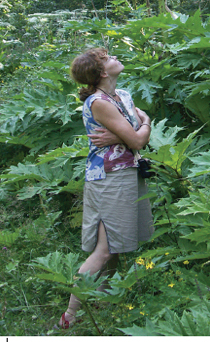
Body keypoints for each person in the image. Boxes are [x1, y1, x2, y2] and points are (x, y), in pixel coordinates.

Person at [58, 47, 154, 329]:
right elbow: (137, 140)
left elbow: (136, 127)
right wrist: (143, 125)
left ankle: (102, 301)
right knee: (104, 249)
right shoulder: (99, 102)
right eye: (109, 58)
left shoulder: (121, 95)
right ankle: (70, 314)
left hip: (126, 173)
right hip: (109, 178)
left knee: (114, 246)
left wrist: (138, 126)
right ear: (101, 72)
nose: (116, 58)